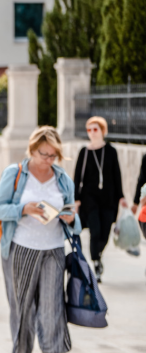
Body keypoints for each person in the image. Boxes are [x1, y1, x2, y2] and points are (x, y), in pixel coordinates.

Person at [0, 127, 80, 353]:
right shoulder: (15, 174)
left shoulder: (62, 179)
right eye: (44, 154)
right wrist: (24, 209)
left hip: (53, 248)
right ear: (32, 150)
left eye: (53, 155)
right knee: (22, 305)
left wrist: (71, 217)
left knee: (53, 306)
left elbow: (74, 219)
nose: (49, 160)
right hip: (20, 247)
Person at [74, 116, 127, 280]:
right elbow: (77, 177)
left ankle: (98, 255)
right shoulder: (84, 151)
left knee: (105, 232)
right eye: (89, 130)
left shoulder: (110, 150)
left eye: (95, 129)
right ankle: (96, 261)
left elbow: (117, 175)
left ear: (102, 131)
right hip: (89, 199)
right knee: (95, 230)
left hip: (108, 198)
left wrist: (121, 197)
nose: (91, 133)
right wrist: (76, 199)